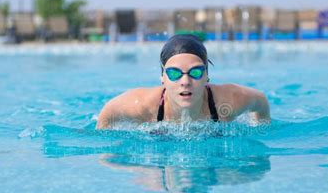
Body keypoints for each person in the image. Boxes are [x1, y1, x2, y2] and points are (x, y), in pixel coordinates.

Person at [96, 34, 270, 129]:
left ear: (207, 76)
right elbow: (108, 114)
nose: (185, 81)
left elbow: (260, 101)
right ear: (162, 78)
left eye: (195, 72)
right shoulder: (143, 106)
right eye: (174, 74)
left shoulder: (228, 102)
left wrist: (260, 129)